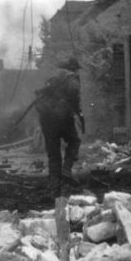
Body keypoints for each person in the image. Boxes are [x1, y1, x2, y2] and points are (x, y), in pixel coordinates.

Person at [34, 57, 83, 197]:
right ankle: (67, 169)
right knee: (74, 141)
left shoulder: (52, 79)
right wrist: (77, 110)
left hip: (47, 120)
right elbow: (74, 96)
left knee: (53, 154)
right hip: (63, 118)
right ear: (72, 68)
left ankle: (54, 189)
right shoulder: (72, 79)